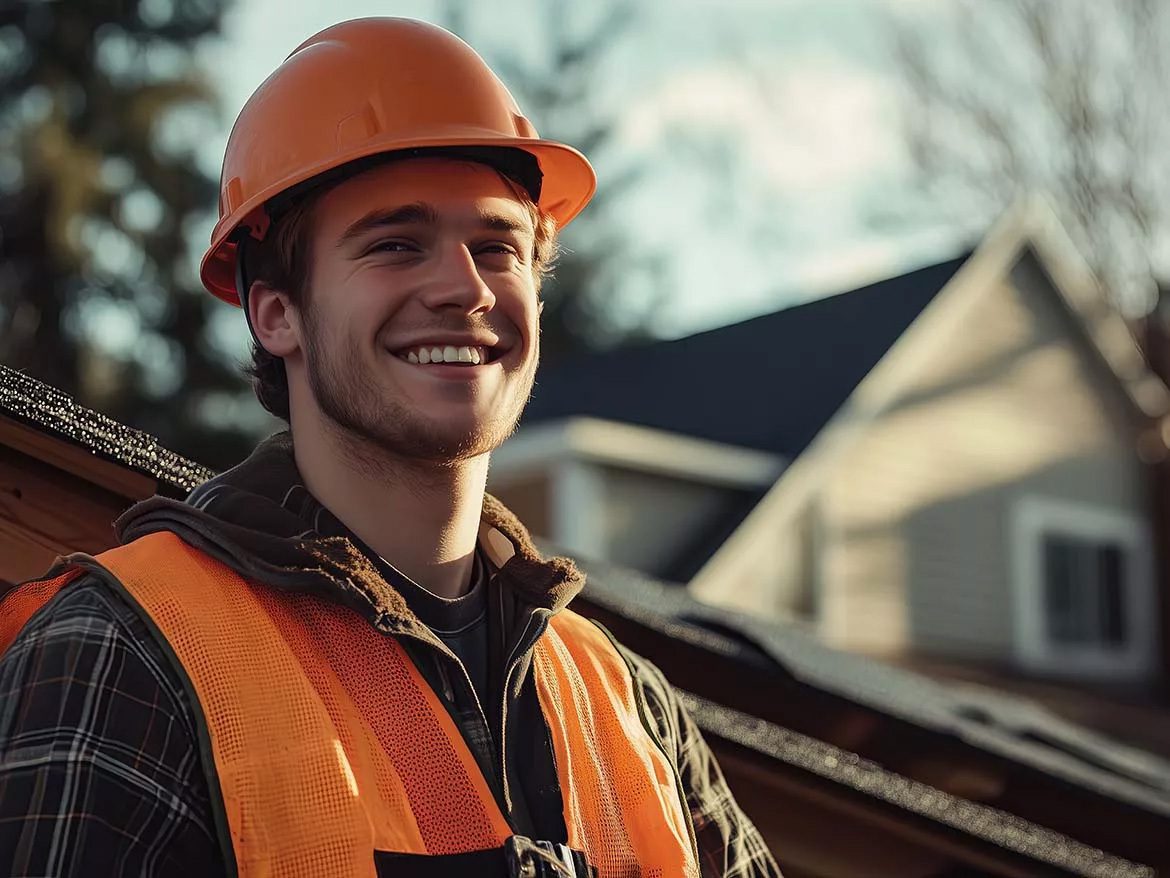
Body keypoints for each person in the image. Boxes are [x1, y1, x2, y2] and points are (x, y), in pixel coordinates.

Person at [0, 18, 780, 878]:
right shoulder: (127, 655)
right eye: (396, 245)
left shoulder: (627, 708)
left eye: (498, 247)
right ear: (275, 311)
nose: (465, 287)